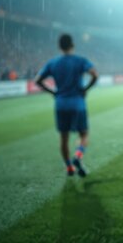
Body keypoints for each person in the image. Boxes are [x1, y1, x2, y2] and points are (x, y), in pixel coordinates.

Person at [35, 34, 98, 177]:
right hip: (77, 103)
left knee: (64, 138)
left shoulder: (53, 63)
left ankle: (69, 167)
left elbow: (37, 80)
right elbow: (94, 74)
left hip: (61, 104)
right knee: (84, 134)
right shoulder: (80, 60)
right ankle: (78, 156)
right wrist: (85, 89)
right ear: (72, 45)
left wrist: (53, 92)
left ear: (59, 46)